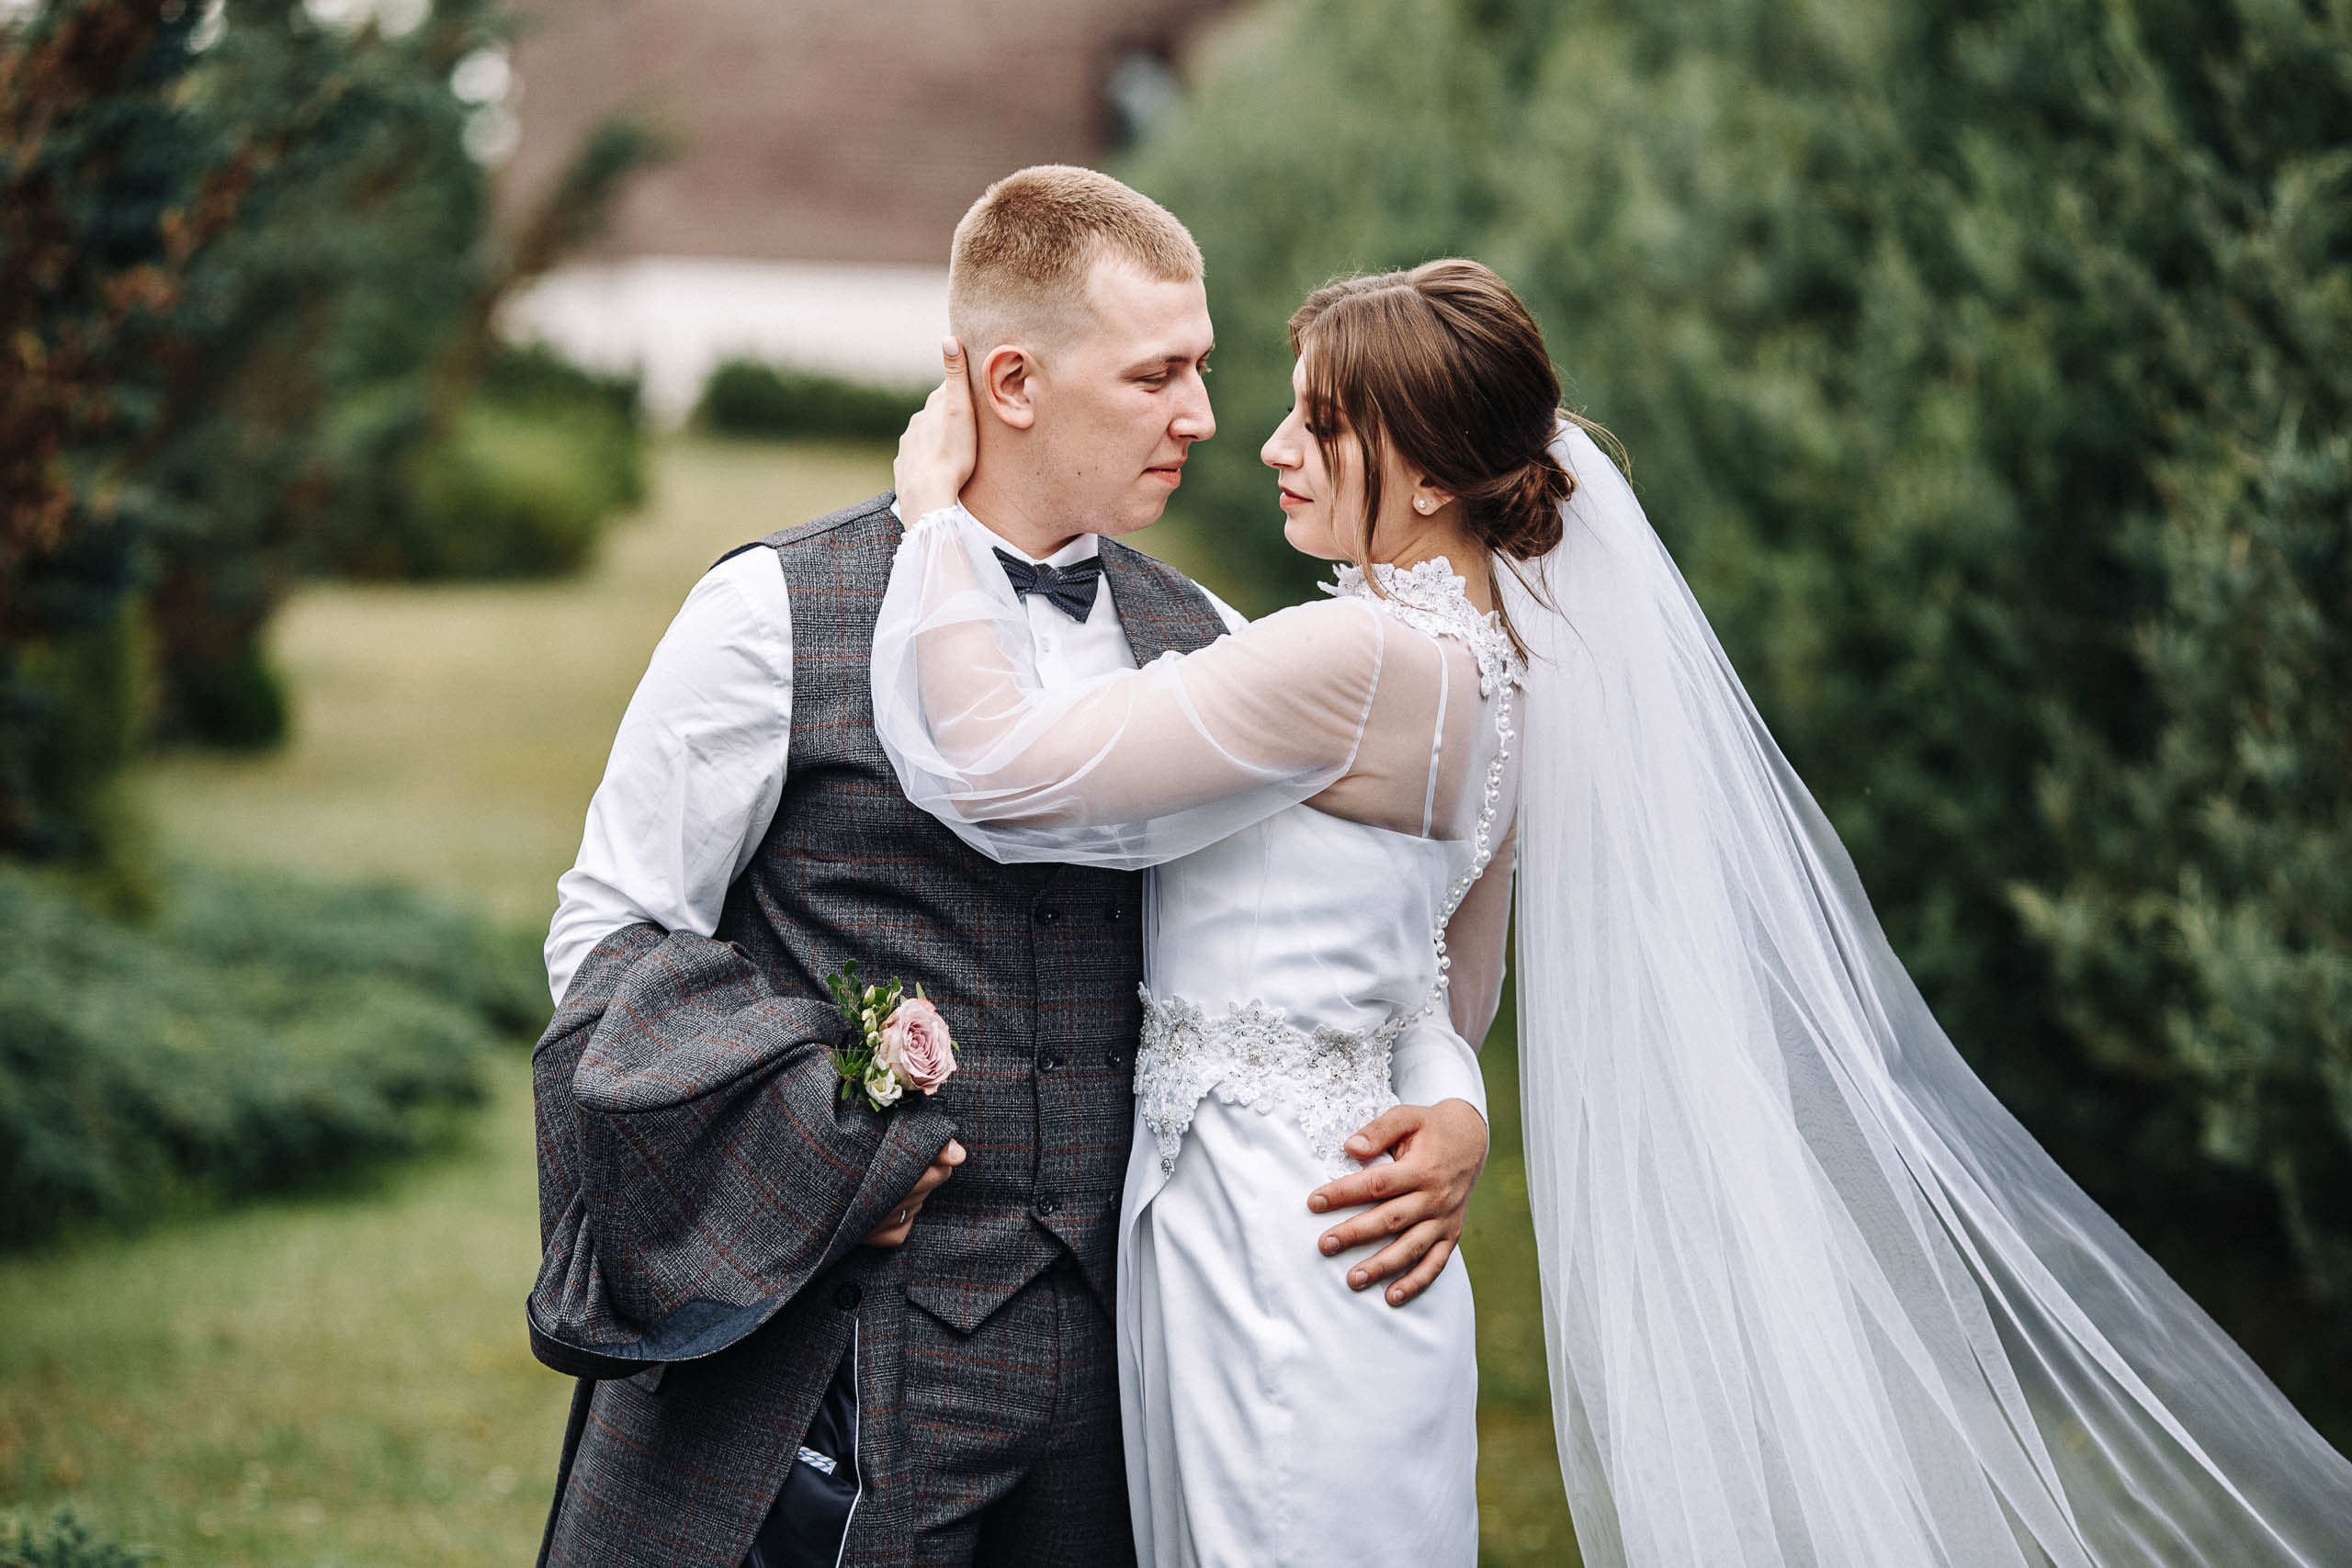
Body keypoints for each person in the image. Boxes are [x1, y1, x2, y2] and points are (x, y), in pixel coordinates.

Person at [878, 257, 2352, 1567]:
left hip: (1281, 1234)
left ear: (1437, 474)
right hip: (1331, 1216)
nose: (1270, 445)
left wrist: (937, 517)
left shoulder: (1350, 658)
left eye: (1321, 422)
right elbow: (1446, 995)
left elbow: (1006, 769)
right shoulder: (1498, 676)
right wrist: (1454, 1106)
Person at [523, 166, 1489, 1568]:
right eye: (1157, 375)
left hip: (1134, 1364)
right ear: (1016, 381)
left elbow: (1373, 933)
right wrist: (813, 1134)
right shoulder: (770, 616)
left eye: (1205, 369)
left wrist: (1448, 1101)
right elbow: (610, 935)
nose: (1206, 418)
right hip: (834, 1349)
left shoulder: (1216, 642)